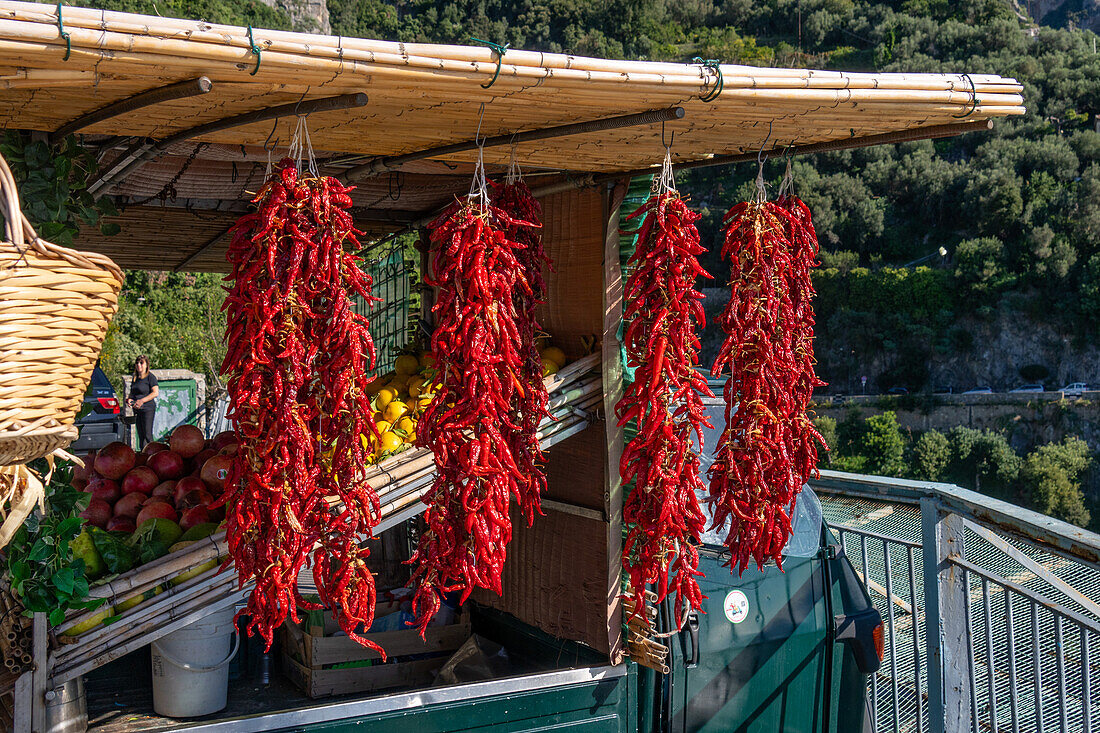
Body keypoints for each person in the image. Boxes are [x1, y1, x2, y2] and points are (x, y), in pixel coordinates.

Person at [127, 355, 159, 449]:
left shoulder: (150, 377)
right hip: (137, 409)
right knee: (141, 436)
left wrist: (142, 401)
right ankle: (143, 455)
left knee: (147, 435)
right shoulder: (135, 378)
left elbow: (155, 392)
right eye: (137, 363)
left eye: (141, 363)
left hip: (147, 408)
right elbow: (133, 392)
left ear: (146, 365)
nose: (139, 365)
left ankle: (154, 453)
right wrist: (130, 399)